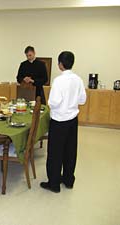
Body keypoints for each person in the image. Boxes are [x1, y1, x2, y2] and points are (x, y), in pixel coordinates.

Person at [40, 51, 86, 193]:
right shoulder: (78, 79)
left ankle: (54, 184)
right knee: (70, 151)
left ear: (60, 64)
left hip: (59, 120)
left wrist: (50, 103)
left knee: (55, 152)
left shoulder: (59, 81)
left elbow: (53, 102)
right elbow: (82, 100)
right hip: (72, 120)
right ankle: (68, 180)